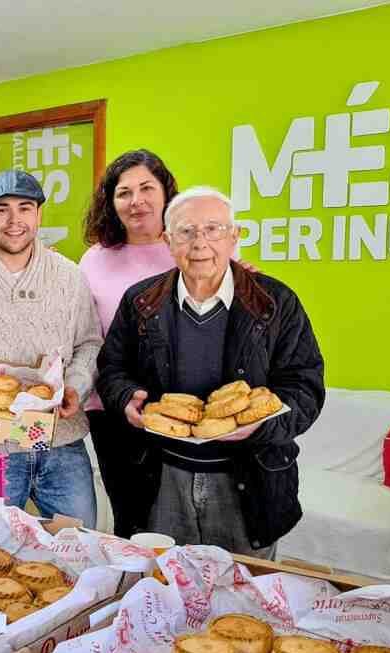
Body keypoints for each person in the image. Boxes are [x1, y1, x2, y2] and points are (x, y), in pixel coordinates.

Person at [96, 186, 325, 558]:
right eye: (186, 232)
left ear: (233, 237)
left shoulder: (275, 302)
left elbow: (306, 386)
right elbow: (112, 368)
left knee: (242, 598)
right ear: (169, 241)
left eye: (214, 229)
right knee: (161, 585)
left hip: (251, 481)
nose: (200, 243)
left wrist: (263, 423)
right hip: (160, 477)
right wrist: (125, 398)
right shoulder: (140, 301)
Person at [0, 169, 102, 528]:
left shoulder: (70, 277)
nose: (15, 220)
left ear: (39, 215)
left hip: (62, 442)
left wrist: (75, 386)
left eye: (25, 208)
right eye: (1, 210)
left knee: (79, 548)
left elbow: (90, 343)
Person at [78, 149, 180, 537]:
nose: (136, 201)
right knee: (131, 519)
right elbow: (84, 335)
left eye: (146, 188)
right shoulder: (94, 259)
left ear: (166, 193)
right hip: (112, 409)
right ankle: (135, 597)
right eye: (123, 192)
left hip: (178, 407)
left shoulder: (193, 249)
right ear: (110, 201)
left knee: (178, 519)